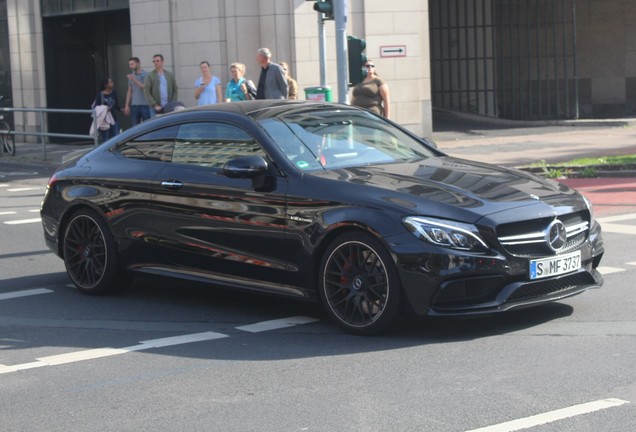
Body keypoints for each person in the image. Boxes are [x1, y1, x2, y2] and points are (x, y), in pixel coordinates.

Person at [123, 57, 151, 126]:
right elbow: (129, 91)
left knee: (147, 127)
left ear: (138, 63)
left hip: (145, 105)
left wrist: (134, 80)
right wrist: (126, 105)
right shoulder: (131, 76)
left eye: (132, 64)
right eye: (129, 65)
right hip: (134, 106)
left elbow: (145, 88)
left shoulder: (147, 75)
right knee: (135, 128)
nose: (130, 66)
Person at [92, 78, 120, 142]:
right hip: (104, 120)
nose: (112, 83)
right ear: (106, 85)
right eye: (110, 82)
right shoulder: (100, 95)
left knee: (116, 136)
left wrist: (121, 109)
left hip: (113, 118)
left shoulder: (114, 93)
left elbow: (115, 105)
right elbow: (96, 107)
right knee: (106, 139)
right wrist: (104, 108)